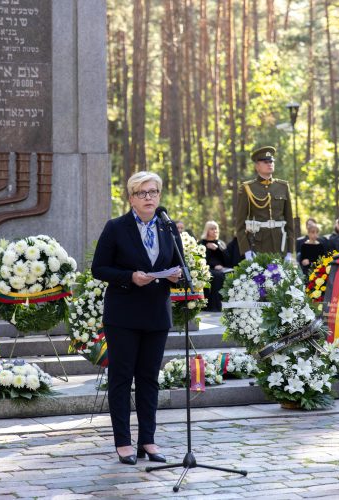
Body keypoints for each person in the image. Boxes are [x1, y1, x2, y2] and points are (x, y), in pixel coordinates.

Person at [92, 171, 183, 465]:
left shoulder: (168, 228)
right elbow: (99, 269)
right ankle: (123, 443)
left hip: (157, 314)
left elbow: (179, 268)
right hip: (124, 315)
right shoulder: (116, 227)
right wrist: (130, 277)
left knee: (149, 379)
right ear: (131, 197)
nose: (149, 198)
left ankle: (148, 440)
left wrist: (177, 276)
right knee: (121, 379)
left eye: (154, 192)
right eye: (142, 193)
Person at [235, 146, 295, 260]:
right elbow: (240, 225)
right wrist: (246, 251)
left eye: (271, 161)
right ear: (257, 166)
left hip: (280, 245)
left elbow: (289, 222)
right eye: (266, 162)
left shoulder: (283, 187)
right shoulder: (247, 188)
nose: (270, 164)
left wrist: (289, 251)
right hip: (257, 245)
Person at [199, 221, 228, 312]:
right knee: (217, 276)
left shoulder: (220, 243)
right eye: (212, 229)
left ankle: (222, 304)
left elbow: (227, 259)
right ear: (207, 230)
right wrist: (208, 249)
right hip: (207, 268)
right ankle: (212, 306)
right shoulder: (202, 243)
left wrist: (217, 249)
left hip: (221, 268)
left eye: (216, 228)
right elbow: (201, 259)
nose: (215, 231)